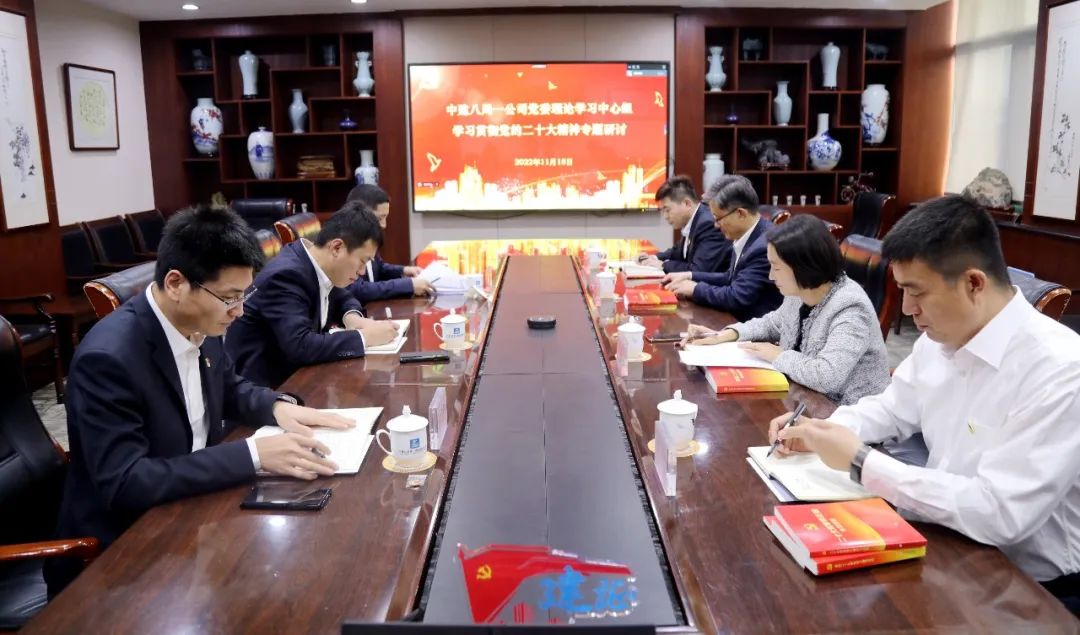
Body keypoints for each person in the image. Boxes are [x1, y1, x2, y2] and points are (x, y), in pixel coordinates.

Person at [767, 195, 1080, 616]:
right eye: (901, 290)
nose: (907, 309)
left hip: (1027, 587)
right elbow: (891, 408)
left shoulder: (1061, 368)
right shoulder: (940, 338)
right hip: (945, 536)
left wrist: (861, 461)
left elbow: (1000, 513)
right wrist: (824, 429)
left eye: (917, 292)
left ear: (974, 283)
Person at [46, 206, 354, 595]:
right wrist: (253, 454)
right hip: (121, 557)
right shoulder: (108, 359)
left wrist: (279, 407)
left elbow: (229, 387)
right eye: (229, 298)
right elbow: (126, 482)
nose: (239, 311)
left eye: (243, 295)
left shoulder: (201, 321)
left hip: (193, 510)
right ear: (176, 284)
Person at [682, 214, 889, 405]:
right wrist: (725, 335)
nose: (771, 276)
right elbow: (773, 323)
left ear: (803, 267)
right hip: (801, 399)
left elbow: (827, 377)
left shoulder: (850, 307)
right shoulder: (800, 291)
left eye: (776, 267)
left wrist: (778, 355)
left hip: (845, 414)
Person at [225, 202, 399, 388]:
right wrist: (364, 337)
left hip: (298, 377)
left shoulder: (316, 263)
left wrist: (353, 318)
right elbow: (301, 345)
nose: (362, 271)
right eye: (362, 261)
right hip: (266, 389)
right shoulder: (286, 276)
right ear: (337, 247)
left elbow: (342, 296)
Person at [663, 174, 782, 321]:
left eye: (718, 218)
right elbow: (730, 277)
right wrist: (690, 276)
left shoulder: (764, 247)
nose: (716, 225)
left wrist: (694, 289)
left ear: (740, 214)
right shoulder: (745, 234)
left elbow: (736, 296)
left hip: (754, 327)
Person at [345, 184, 432, 302]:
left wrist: (403, 271)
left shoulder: (368, 237)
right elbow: (357, 289)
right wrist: (408, 285)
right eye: (379, 218)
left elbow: (378, 268)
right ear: (360, 214)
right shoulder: (344, 244)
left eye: (386, 217)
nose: (384, 225)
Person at [637, 174, 731, 274]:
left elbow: (697, 270)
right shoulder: (694, 220)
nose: (665, 216)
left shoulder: (707, 224)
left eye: (667, 210)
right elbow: (677, 252)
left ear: (687, 204)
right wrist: (653, 258)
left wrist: (663, 264)